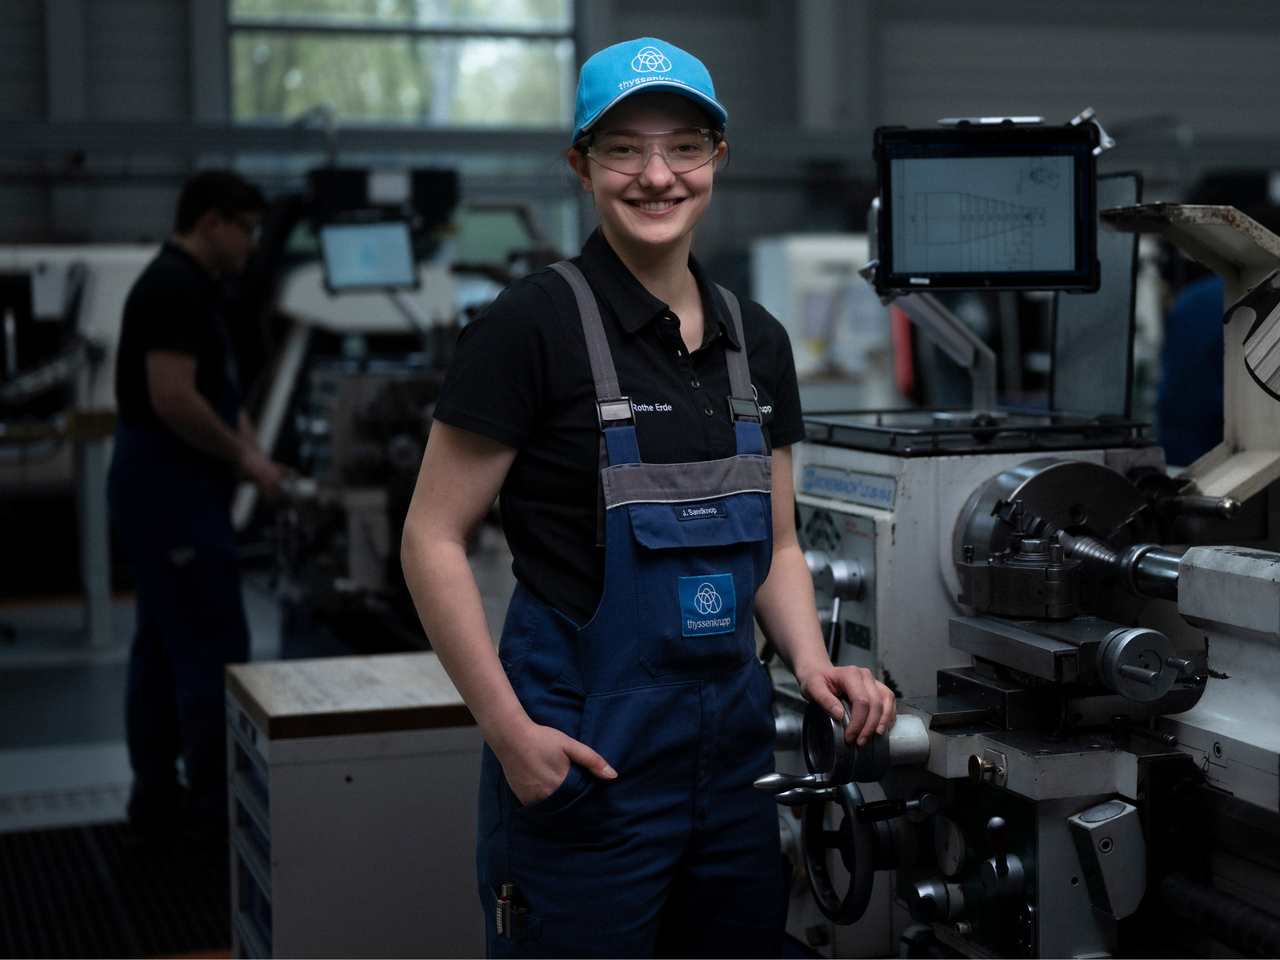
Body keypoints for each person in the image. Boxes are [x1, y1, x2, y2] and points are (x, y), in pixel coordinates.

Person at [401, 38, 897, 958]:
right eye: (624, 148)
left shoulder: (762, 343)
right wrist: (510, 735)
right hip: (587, 763)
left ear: (719, 158)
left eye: (684, 146)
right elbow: (431, 536)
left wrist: (811, 659)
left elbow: (779, 548)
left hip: (736, 773)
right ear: (580, 166)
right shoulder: (526, 328)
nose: (656, 175)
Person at [108, 170, 289, 852]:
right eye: (246, 230)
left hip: (171, 489)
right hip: (169, 490)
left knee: (160, 652)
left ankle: (157, 804)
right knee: (214, 652)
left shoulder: (192, 289)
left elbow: (220, 397)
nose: (251, 245)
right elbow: (175, 398)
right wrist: (247, 462)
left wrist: (260, 462)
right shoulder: (172, 288)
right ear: (211, 222)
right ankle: (215, 816)